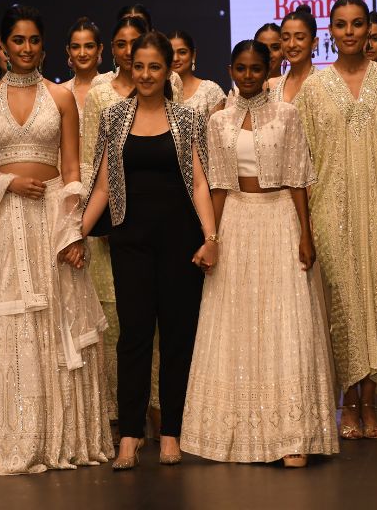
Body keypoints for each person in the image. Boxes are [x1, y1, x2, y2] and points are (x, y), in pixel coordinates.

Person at [0, 5, 112, 476]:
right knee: (10, 318)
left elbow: (73, 168)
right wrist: (6, 182)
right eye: (17, 40)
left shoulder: (61, 97)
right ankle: (7, 435)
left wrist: (74, 230)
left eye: (34, 40)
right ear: (2, 46)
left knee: (57, 320)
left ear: (43, 45)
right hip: (5, 222)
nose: (26, 48)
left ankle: (60, 437)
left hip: (52, 221)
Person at [181, 40, 337, 467]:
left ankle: (292, 437)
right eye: (241, 68)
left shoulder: (287, 114)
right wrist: (212, 239)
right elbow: (217, 185)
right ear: (230, 69)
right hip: (236, 221)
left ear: (268, 69)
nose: (248, 76)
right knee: (236, 321)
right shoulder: (218, 120)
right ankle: (238, 432)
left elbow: (299, 179)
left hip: (279, 217)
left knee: (287, 320)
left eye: (255, 68)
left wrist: (306, 234)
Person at [294, 0, 377, 440]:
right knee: (343, 306)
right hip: (330, 209)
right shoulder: (314, 89)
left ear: (369, 29)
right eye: (341, 24)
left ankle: (371, 402)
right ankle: (347, 403)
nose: (349, 32)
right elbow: (301, 162)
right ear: (330, 31)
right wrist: (306, 225)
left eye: (357, 24)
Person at [82, 31, 217, 469]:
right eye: (138, 66)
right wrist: (76, 232)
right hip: (130, 240)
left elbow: (200, 183)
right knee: (134, 337)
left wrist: (211, 238)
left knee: (177, 337)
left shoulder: (188, 118)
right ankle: (130, 435)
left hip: (180, 240)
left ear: (168, 69)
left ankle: (171, 432)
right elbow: (103, 186)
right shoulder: (114, 117)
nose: (144, 74)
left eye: (154, 66)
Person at [80, 15, 149, 429]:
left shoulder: (166, 84)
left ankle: (156, 409)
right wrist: (95, 220)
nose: (127, 51)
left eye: (134, 43)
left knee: (152, 317)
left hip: (154, 211)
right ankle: (114, 411)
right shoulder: (100, 95)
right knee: (113, 314)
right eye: (120, 44)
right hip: (112, 220)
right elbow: (91, 160)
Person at [169, 29, 226, 118]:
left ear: (193, 55)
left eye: (182, 52)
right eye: (170, 53)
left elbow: (220, 126)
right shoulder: (158, 92)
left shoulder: (210, 90)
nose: (175, 58)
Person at [269, 4, 318, 103]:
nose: (291, 44)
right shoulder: (270, 86)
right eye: (286, 38)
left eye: (299, 38)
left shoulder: (324, 84)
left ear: (314, 43)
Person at [63, 17, 103, 130]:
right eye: (75, 47)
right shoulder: (61, 91)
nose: (82, 53)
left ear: (99, 49)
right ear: (68, 51)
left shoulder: (111, 88)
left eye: (89, 46)